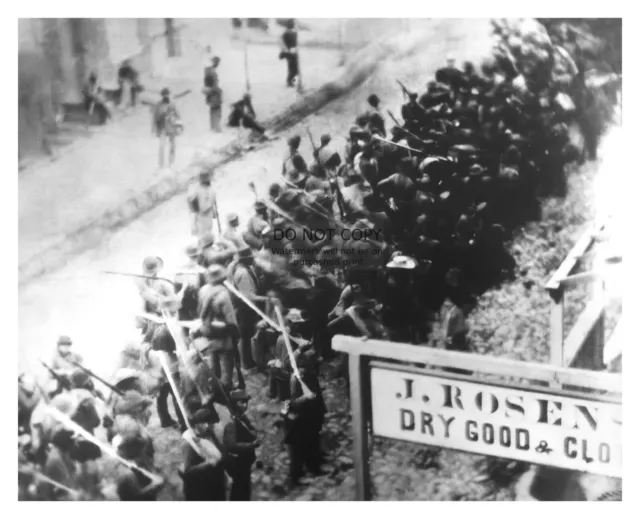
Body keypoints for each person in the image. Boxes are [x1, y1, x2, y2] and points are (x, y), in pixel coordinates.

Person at [191, 265, 242, 393]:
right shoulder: (223, 294)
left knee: (213, 360)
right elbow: (230, 320)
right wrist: (236, 334)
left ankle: (215, 386)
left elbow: (199, 310)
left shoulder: (202, 290)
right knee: (227, 362)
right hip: (223, 334)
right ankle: (226, 388)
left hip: (207, 331)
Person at [283, 350, 326, 487]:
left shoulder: (311, 375)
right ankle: (294, 477)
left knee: (313, 442)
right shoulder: (298, 378)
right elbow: (291, 403)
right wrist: (305, 398)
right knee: (298, 449)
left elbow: (316, 395)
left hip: (312, 415)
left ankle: (314, 465)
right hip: (300, 420)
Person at [228, 245, 264, 371]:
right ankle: (248, 362)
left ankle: (247, 361)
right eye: (250, 258)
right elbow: (248, 296)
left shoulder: (238, 267)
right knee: (246, 336)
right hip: (246, 308)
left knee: (245, 336)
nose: (252, 260)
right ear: (245, 259)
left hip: (243, 307)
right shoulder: (243, 273)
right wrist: (265, 299)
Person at [223, 390, 260, 501]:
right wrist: (251, 445)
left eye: (246, 402)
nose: (245, 405)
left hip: (245, 460)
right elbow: (231, 445)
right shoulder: (231, 423)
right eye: (241, 402)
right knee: (240, 487)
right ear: (234, 404)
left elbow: (250, 428)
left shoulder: (240, 416)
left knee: (245, 485)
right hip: (238, 462)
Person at [152, 88, 182, 168]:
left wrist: (180, 126)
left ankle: (171, 163)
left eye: (167, 94)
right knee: (162, 146)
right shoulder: (158, 105)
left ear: (168, 94)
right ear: (162, 95)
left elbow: (177, 115)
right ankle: (161, 164)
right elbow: (155, 117)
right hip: (162, 128)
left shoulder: (172, 104)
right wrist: (154, 128)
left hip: (171, 128)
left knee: (172, 145)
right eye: (164, 94)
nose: (165, 96)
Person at [187, 169, 219, 240]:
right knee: (203, 238)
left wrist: (214, 212)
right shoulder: (195, 191)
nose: (208, 180)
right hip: (200, 220)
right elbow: (194, 208)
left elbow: (211, 202)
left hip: (208, 218)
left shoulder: (210, 189)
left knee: (209, 234)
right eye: (206, 179)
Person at [204, 56, 223, 132]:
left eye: (218, 62)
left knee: (213, 110)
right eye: (217, 62)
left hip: (211, 93)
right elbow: (214, 84)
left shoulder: (209, 71)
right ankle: (216, 128)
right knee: (216, 110)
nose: (218, 64)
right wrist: (218, 90)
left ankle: (213, 127)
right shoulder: (212, 72)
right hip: (214, 93)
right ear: (214, 62)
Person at [280, 19, 299, 87]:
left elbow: (296, 44)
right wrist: (287, 50)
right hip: (289, 53)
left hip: (294, 53)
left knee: (295, 69)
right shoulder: (286, 33)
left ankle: (290, 81)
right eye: (294, 23)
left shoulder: (294, 33)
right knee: (293, 68)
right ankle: (289, 82)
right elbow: (282, 43)